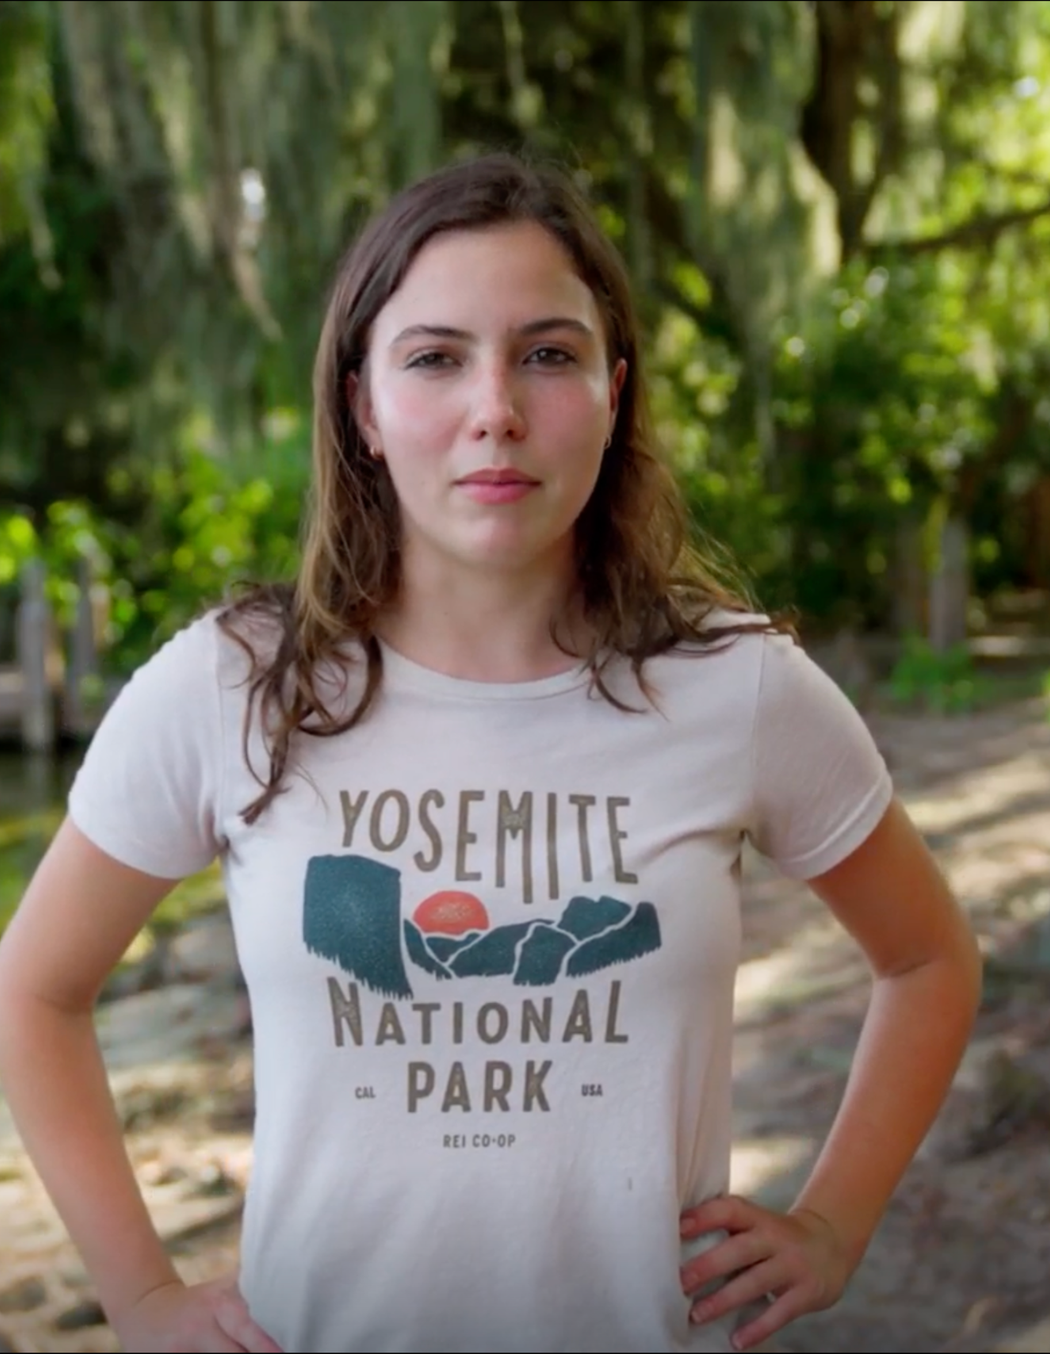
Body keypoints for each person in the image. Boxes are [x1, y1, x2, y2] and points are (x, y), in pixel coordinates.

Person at [0, 152, 981, 1354]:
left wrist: (833, 1222)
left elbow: (929, 957)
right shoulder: (239, 685)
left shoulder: (738, 687)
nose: (496, 408)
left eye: (549, 353)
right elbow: (32, 990)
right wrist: (140, 1293)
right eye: (435, 356)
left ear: (615, 391)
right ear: (362, 402)